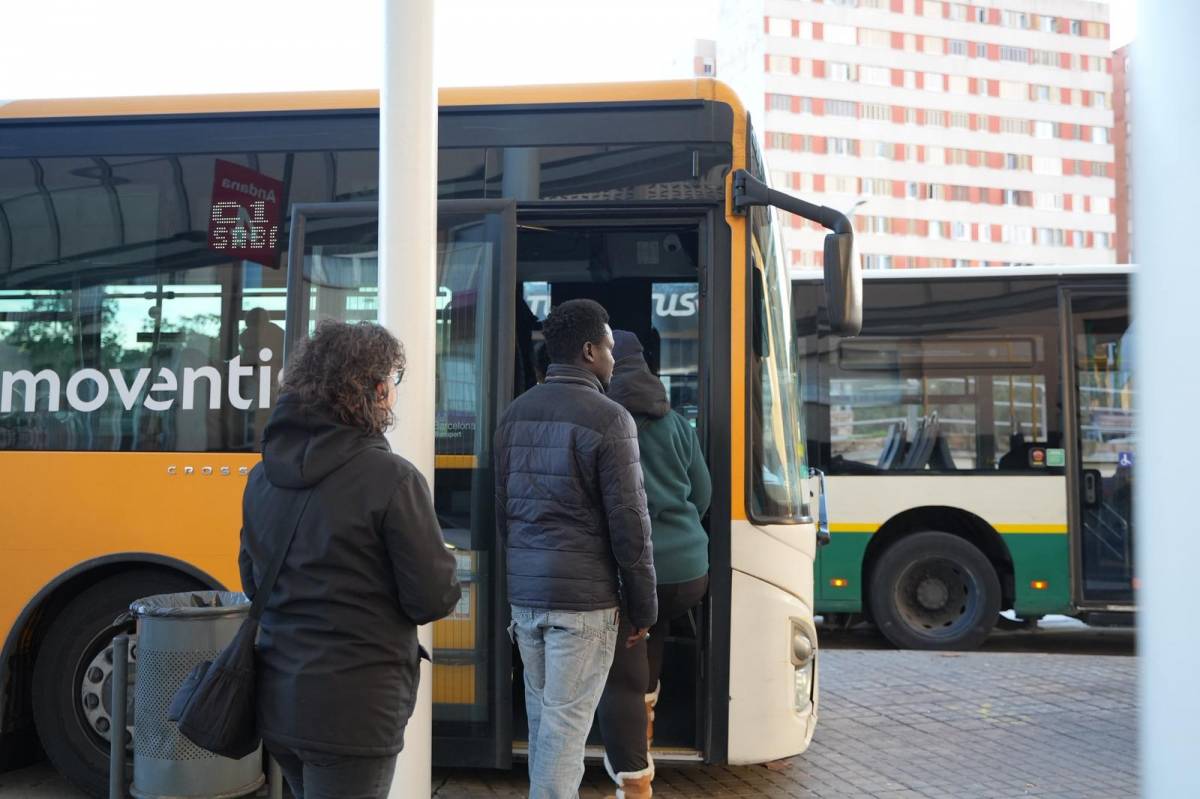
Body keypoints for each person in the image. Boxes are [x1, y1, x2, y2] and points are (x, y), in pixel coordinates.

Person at [239, 320, 462, 799]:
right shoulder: (392, 479)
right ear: (376, 390)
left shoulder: (262, 477)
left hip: (279, 701)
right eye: (392, 382)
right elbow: (432, 598)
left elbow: (253, 583)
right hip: (356, 710)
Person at [494, 299, 657, 799]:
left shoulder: (514, 414)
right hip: (583, 605)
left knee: (547, 719)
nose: (614, 357)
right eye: (609, 347)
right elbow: (630, 525)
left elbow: (504, 513)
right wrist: (643, 606)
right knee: (566, 728)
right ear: (589, 351)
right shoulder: (611, 420)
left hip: (528, 600)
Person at [597, 331, 712, 799]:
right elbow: (701, 493)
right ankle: (644, 730)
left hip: (631, 572)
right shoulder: (675, 423)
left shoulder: (599, 421)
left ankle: (635, 782)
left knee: (620, 676)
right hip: (687, 570)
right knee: (654, 629)